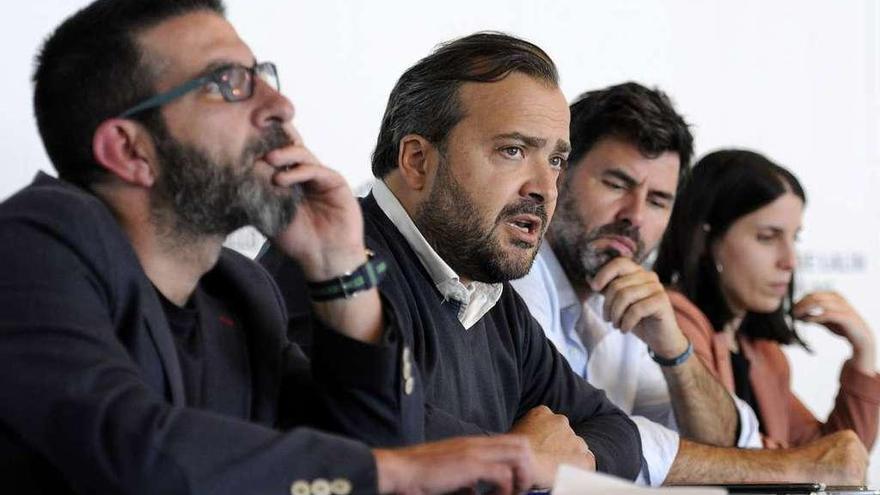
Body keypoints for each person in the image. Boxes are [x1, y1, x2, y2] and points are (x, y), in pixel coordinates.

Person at [0, 1, 539, 493]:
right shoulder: (32, 243)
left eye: (262, 76)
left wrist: (338, 265)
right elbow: (129, 447)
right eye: (227, 82)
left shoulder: (238, 290)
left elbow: (381, 442)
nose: (280, 104)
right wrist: (396, 472)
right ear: (129, 149)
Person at [262, 32, 642, 488]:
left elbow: (618, 432)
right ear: (418, 160)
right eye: (513, 150)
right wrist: (519, 456)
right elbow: (374, 433)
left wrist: (561, 461)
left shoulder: (489, 296)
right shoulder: (328, 265)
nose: (544, 187)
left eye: (557, 159)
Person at [512, 83, 869, 485]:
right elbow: (583, 439)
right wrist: (793, 465)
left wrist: (676, 352)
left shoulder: (632, 301)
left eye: (658, 200)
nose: (634, 216)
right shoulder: (514, 277)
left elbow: (731, 444)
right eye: (616, 184)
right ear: (559, 173)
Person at [654, 149, 880, 451]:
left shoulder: (762, 351)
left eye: (794, 237)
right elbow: (727, 454)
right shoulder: (670, 317)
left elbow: (838, 459)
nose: (790, 261)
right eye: (767, 237)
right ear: (706, 239)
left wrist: (863, 355)